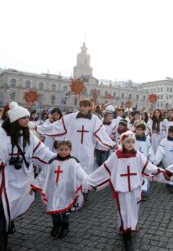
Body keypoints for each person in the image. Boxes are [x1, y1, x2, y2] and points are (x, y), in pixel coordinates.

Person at [85, 131, 167, 250]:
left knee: (134, 209)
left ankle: (131, 226)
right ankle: (126, 233)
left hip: (135, 188)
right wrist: (89, 182)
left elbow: (149, 168)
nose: (130, 144)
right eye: (128, 142)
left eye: (133, 142)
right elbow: (105, 170)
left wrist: (164, 173)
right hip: (122, 189)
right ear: (122, 142)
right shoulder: (116, 156)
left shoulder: (138, 155)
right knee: (123, 210)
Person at [0, 102, 55, 250]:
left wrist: (60, 158)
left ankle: (8, 224)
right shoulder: (1, 135)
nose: (27, 120)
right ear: (14, 119)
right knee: (3, 207)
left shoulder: (27, 135)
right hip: (3, 179)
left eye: (27, 117)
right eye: (24, 118)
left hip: (22, 179)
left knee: (11, 207)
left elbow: (43, 152)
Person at [36, 99, 116, 174]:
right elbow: (56, 127)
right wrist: (38, 128)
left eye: (84, 106)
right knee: (71, 171)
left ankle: (84, 188)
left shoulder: (95, 120)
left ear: (89, 107)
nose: (82, 108)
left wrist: (112, 144)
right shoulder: (71, 117)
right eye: (81, 106)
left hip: (87, 151)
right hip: (73, 150)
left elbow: (102, 135)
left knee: (85, 172)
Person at [31, 140, 87, 238]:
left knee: (65, 210)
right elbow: (43, 175)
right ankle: (56, 225)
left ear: (70, 150)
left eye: (66, 150)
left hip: (66, 191)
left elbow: (81, 174)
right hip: (53, 191)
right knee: (53, 208)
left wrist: (89, 182)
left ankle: (65, 226)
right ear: (57, 149)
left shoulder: (73, 162)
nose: (63, 152)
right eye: (61, 149)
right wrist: (34, 187)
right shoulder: (52, 161)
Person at [134, 122, 154, 193]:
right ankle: (136, 189)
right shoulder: (133, 138)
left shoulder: (146, 140)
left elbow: (150, 149)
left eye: (140, 130)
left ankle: (144, 189)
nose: (138, 131)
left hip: (143, 160)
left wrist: (151, 159)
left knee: (143, 174)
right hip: (134, 160)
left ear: (143, 131)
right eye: (137, 129)